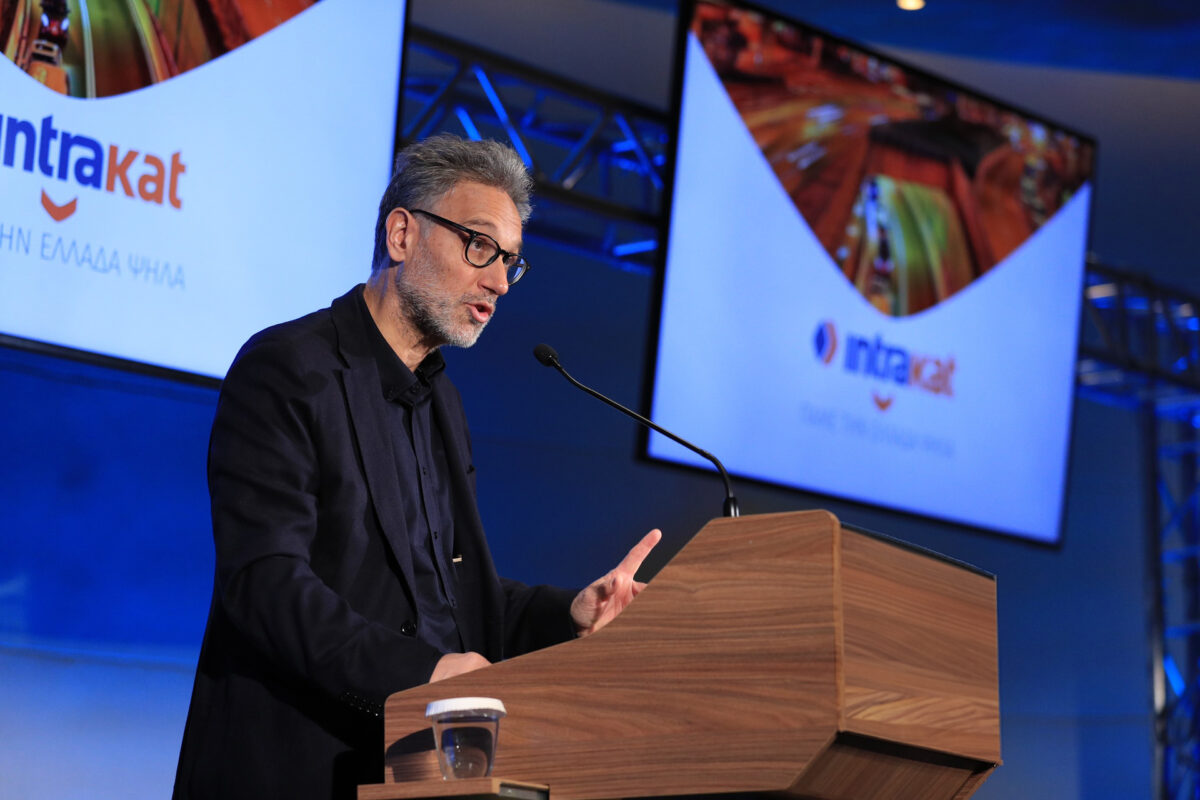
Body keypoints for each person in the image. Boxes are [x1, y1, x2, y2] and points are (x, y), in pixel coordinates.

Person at [172, 134, 661, 800]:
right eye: (479, 245)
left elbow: (454, 594)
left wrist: (568, 614)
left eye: (510, 261)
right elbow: (266, 584)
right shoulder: (287, 369)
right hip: (296, 767)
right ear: (402, 234)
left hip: (416, 776)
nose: (498, 282)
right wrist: (422, 675)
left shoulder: (443, 403)